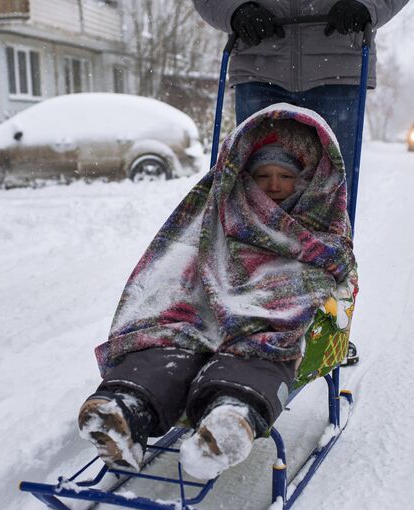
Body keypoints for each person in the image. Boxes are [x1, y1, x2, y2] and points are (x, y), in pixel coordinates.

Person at [78, 104, 357, 480]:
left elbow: (337, 265)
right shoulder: (222, 210)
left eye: (285, 176)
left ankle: (231, 415)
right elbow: (180, 257)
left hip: (264, 319)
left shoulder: (318, 223)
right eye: (262, 175)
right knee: (169, 344)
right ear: (244, 177)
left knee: (258, 354)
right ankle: (125, 407)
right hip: (200, 311)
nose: (273, 185)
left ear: (305, 179)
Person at [194, 0, 408, 365]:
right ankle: (248, 317)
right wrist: (234, 11)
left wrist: (367, 6)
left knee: (327, 209)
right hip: (259, 64)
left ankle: (323, 326)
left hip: (337, 66)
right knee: (250, 206)